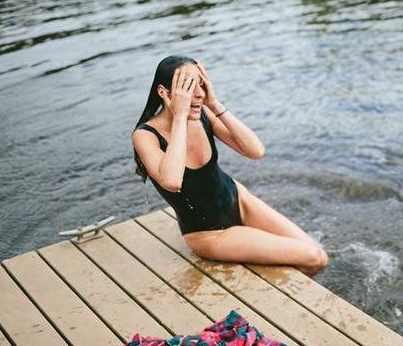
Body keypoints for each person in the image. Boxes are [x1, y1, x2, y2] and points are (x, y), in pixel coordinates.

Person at [132, 55, 328, 277]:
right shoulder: (145, 136)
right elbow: (172, 181)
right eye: (188, 88)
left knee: (319, 257)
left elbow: (255, 151)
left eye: (202, 85)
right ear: (164, 93)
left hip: (238, 199)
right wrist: (180, 118)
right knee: (310, 257)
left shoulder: (204, 113)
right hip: (208, 233)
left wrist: (214, 104)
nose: (198, 94)